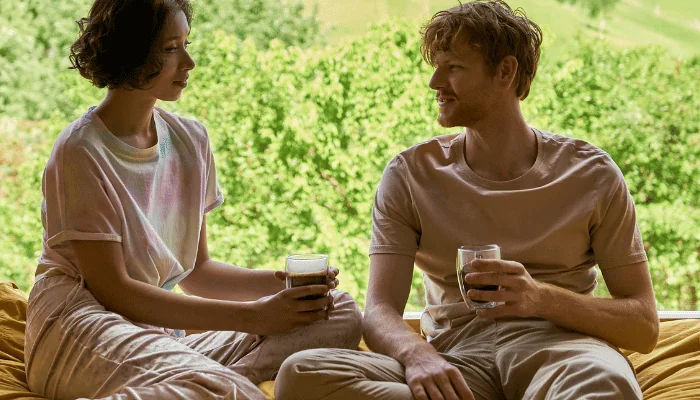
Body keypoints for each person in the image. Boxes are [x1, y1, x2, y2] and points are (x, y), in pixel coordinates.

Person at [274, 1, 659, 399]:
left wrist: (540, 297)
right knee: (301, 373)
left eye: (454, 68)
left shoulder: (590, 174)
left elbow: (644, 326)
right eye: (436, 66)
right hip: (455, 360)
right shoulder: (411, 175)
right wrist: (418, 355)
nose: (434, 82)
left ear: (505, 72)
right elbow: (380, 311)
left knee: (604, 383)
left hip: (563, 353)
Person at [24, 1, 362, 399]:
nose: (189, 61)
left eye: (186, 44)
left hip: (156, 337)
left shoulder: (190, 140)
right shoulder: (80, 151)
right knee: (223, 387)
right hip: (81, 327)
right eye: (171, 48)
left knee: (338, 310)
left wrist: (286, 288)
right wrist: (255, 316)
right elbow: (114, 291)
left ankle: (211, 380)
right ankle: (214, 383)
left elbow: (199, 273)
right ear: (133, 50)